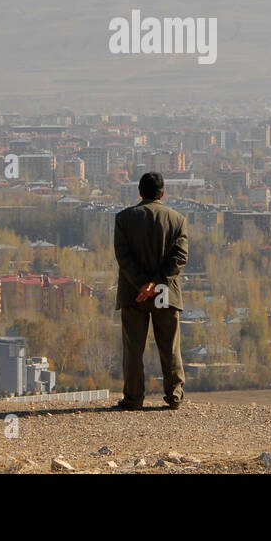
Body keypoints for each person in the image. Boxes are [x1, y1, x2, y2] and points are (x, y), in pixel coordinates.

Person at [113, 171, 188, 410]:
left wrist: (143, 285)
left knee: (134, 348)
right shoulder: (177, 220)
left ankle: (134, 398)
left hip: (133, 294)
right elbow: (179, 257)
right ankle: (174, 396)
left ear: (139, 192)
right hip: (166, 292)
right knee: (169, 346)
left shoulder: (124, 219)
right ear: (162, 193)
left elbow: (123, 257)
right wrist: (156, 283)